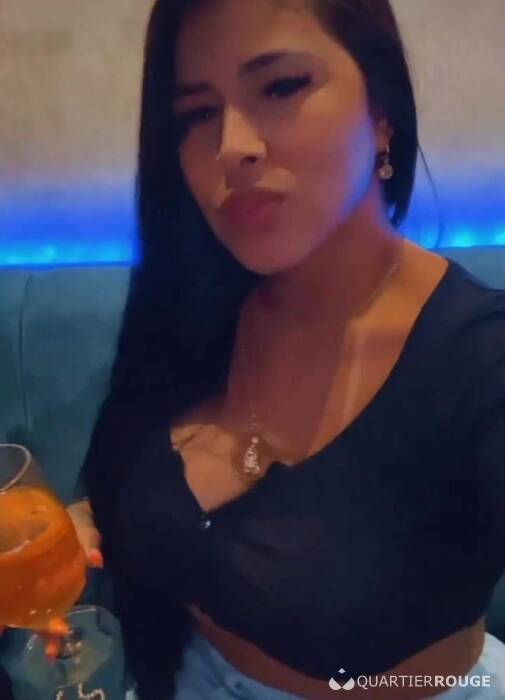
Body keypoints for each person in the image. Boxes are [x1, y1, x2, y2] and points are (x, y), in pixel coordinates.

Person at [69, 1, 505, 699]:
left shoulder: (478, 356)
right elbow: (147, 478)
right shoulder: (199, 301)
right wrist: (81, 526)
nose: (230, 146)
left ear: (382, 112)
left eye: (280, 86)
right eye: (196, 114)